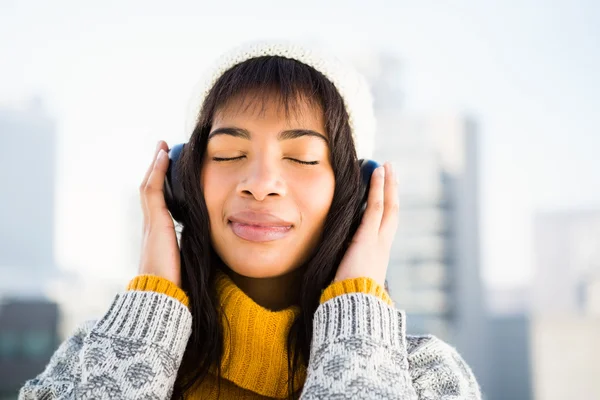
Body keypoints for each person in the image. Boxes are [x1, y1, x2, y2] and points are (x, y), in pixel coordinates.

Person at [19, 40, 482, 399]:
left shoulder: (425, 376)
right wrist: (152, 309)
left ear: (354, 193)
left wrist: (359, 315)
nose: (260, 183)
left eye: (301, 157)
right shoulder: (95, 357)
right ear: (182, 183)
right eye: (229, 153)